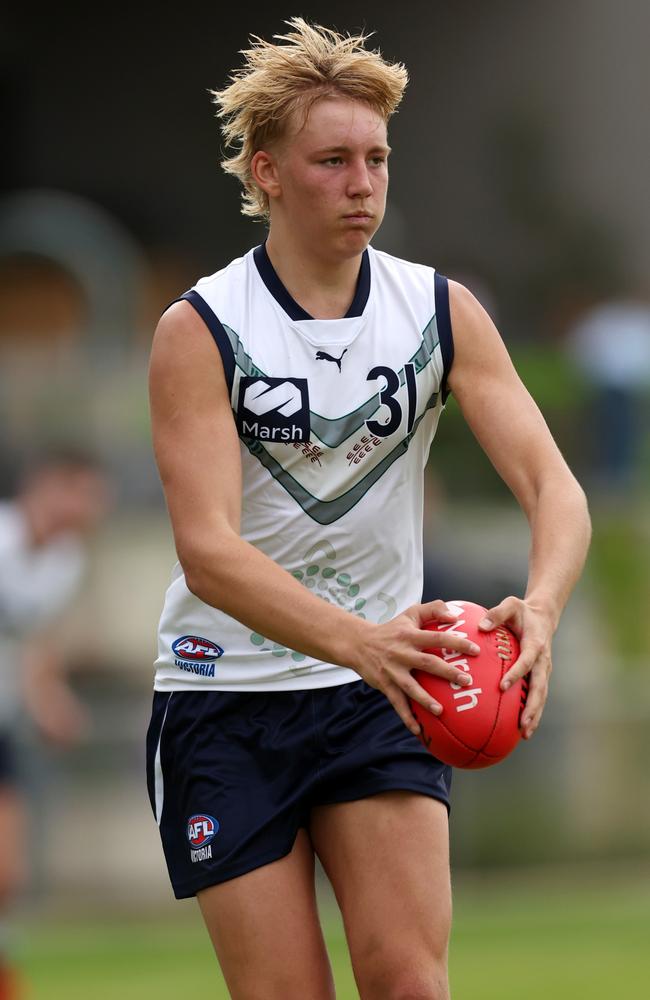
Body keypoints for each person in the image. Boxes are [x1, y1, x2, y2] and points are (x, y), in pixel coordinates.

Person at [146, 19, 591, 1000]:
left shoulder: (436, 311)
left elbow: (553, 488)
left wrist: (543, 607)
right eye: (332, 159)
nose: (362, 182)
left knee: (408, 984)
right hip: (226, 697)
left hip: (382, 694)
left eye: (377, 158)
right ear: (265, 171)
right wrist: (360, 641)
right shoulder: (202, 329)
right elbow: (208, 550)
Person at [0, 451, 110, 1000]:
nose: (93, 508)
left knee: (7, 874)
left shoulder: (65, 560)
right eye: (83, 491)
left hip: (3, 726)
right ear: (47, 487)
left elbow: (37, 646)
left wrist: (49, 699)